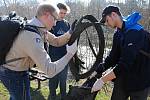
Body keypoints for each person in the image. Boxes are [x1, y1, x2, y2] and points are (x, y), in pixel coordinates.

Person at [0, 3, 78, 100]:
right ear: (46, 15)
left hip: (11, 70)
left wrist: (70, 33)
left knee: (15, 97)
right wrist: (70, 54)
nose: (54, 24)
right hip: (14, 74)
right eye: (54, 19)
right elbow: (49, 70)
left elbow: (56, 41)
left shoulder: (36, 27)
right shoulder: (31, 36)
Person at [91, 5, 150, 100]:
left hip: (140, 80)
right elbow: (113, 58)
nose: (106, 24)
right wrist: (98, 70)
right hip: (123, 78)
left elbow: (125, 64)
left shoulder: (135, 32)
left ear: (113, 15)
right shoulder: (118, 33)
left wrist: (102, 80)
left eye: (106, 20)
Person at [48, 3, 71, 100]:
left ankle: (63, 97)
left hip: (64, 57)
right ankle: (52, 96)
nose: (62, 15)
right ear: (56, 12)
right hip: (53, 58)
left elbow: (70, 41)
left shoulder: (67, 24)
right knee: (53, 81)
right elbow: (52, 40)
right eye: (61, 13)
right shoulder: (51, 23)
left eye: (64, 13)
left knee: (63, 80)